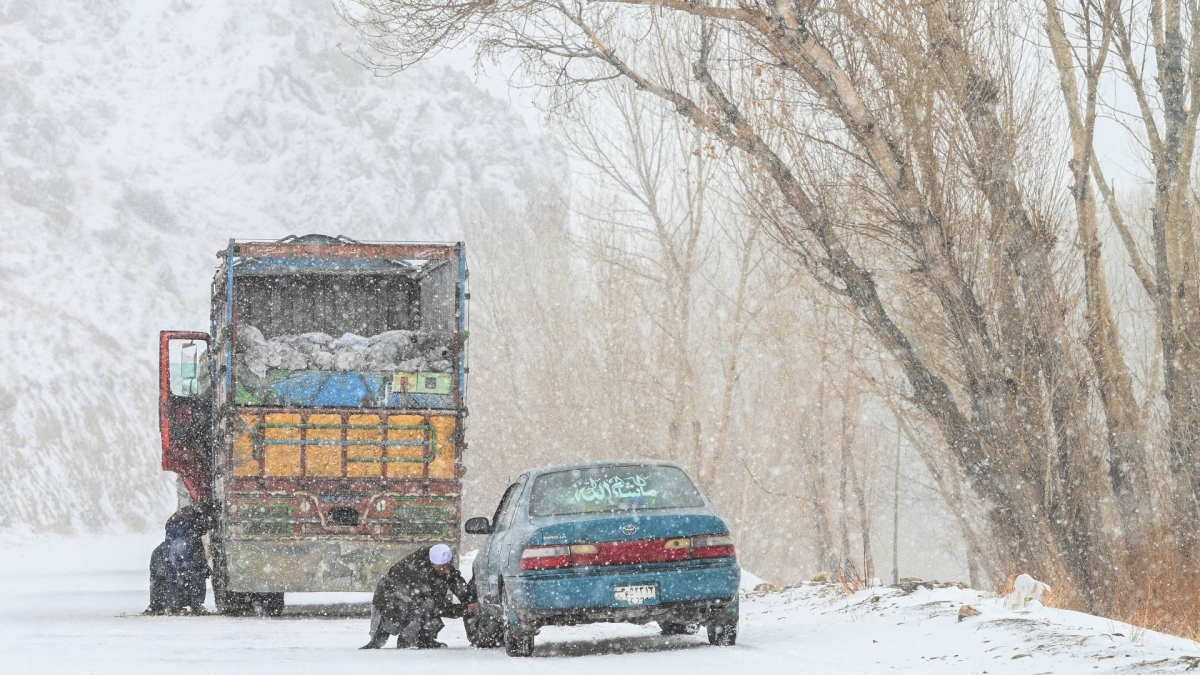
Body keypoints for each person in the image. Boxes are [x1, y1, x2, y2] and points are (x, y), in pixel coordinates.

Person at [361, 544, 477, 649]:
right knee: (423, 607)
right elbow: (439, 607)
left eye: (447, 566)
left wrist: (470, 600)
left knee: (425, 608)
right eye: (440, 567)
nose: (444, 570)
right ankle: (408, 641)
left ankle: (423, 640)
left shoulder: (441, 565)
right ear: (432, 563)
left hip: (405, 599)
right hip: (388, 602)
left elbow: (454, 581)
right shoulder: (420, 573)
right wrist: (466, 609)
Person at [143, 504, 216, 615]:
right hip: (185, 525)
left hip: (175, 525)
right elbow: (196, 564)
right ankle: (194, 605)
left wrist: (157, 603)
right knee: (195, 568)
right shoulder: (194, 525)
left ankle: (171, 604)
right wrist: (203, 566)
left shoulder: (161, 551)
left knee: (174, 569)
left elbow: (162, 577)